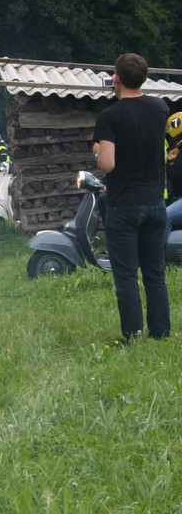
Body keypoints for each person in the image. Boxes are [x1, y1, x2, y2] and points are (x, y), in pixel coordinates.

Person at [93, 53, 170, 341]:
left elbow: (107, 164)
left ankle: (133, 335)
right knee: (155, 274)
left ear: (116, 78)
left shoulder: (110, 115)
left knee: (126, 275)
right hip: (155, 202)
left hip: (124, 204)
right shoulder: (160, 108)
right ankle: (161, 332)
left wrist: (97, 151)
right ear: (145, 78)